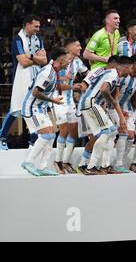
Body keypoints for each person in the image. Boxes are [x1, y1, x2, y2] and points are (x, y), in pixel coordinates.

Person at [21, 47, 72, 176]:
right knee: (47, 135)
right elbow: (35, 92)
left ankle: (42, 167)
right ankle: (29, 162)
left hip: (41, 107)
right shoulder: (48, 72)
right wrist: (53, 101)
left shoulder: (54, 72)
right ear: (60, 59)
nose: (69, 61)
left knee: (52, 135)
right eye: (67, 58)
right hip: (31, 107)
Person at [0, 15, 47, 150]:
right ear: (27, 25)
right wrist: (36, 58)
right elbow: (23, 63)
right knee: (16, 108)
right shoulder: (17, 40)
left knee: (34, 107)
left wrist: (31, 56)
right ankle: (2, 137)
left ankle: (33, 142)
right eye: (36, 26)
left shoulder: (39, 39)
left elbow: (44, 60)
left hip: (37, 75)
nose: (38, 29)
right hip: (22, 77)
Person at [77, 56, 130, 175]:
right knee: (107, 132)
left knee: (110, 132)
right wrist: (112, 101)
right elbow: (104, 90)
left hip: (91, 103)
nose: (130, 72)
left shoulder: (111, 73)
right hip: (91, 103)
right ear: (126, 68)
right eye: (130, 68)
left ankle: (103, 166)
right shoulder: (113, 74)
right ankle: (91, 167)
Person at [53, 38, 88, 174]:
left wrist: (85, 83)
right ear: (70, 47)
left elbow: (87, 74)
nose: (80, 48)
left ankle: (66, 161)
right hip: (58, 99)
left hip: (70, 102)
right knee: (64, 130)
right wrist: (75, 86)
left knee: (74, 132)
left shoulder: (77, 62)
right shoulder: (59, 61)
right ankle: (58, 161)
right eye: (78, 45)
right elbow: (56, 84)